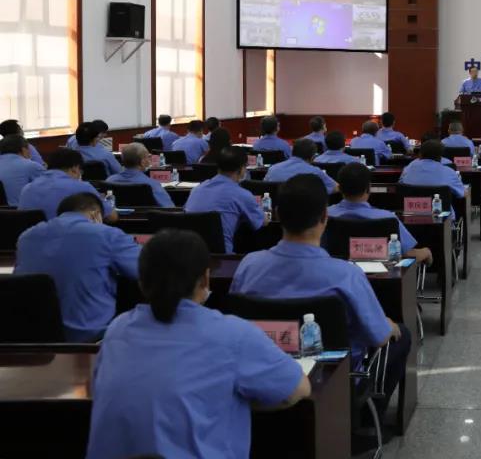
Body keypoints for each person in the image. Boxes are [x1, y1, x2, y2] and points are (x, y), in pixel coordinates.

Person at [85, 230, 309, 459]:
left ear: (141, 282)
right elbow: (298, 389)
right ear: (205, 280)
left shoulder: (117, 329)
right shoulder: (232, 334)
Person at [230, 175, 409, 418]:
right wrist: (389, 326)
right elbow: (378, 337)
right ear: (325, 217)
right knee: (402, 335)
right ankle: (364, 420)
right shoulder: (346, 274)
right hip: (334, 380)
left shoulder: (248, 266)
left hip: (261, 375)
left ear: (278, 214)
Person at [15, 192, 139, 341]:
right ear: (95, 214)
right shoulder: (107, 234)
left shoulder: (26, 237)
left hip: (31, 338)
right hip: (91, 339)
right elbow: (148, 269)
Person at [328, 164, 433, 264]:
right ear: (368, 188)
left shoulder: (325, 216)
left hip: (337, 274)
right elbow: (406, 254)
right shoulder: (388, 218)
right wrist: (425, 252)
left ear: (339, 188)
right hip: (382, 275)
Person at [184, 146, 265, 253]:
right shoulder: (242, 194)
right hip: (223, 258)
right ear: (241, 169)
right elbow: (261, 223)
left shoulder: (197, 189)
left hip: (190, 253)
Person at [18, 148, 116, 220]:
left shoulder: (27, 189)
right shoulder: (82, 188)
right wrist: (104, 201)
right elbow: (112, 217)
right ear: (75, 168)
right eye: (80, 171)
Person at [400, 139, 466, 218]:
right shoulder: (449, 172)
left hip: (410, 216)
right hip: (441, 219)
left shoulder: (407, 169)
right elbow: (462, 194)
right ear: (441, 156)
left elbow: (400, 185)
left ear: (420, 154)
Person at [105, 143, 175, 208]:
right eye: (148, 157)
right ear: (142, 162)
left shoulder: (109, 181)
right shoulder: (151, 184)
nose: (149, 160)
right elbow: (169, 208)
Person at [265, 139, 338, 193]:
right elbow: (337, 188)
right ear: (312, 157)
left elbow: (264, 187)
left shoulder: (272, 169)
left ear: (292, 152)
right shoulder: (315, 172)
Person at [0, 134, 44, 204]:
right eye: (29, 150)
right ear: (24, 149)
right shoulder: (31, 166)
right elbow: (48, 190)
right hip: (22, 210)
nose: (30, 153)